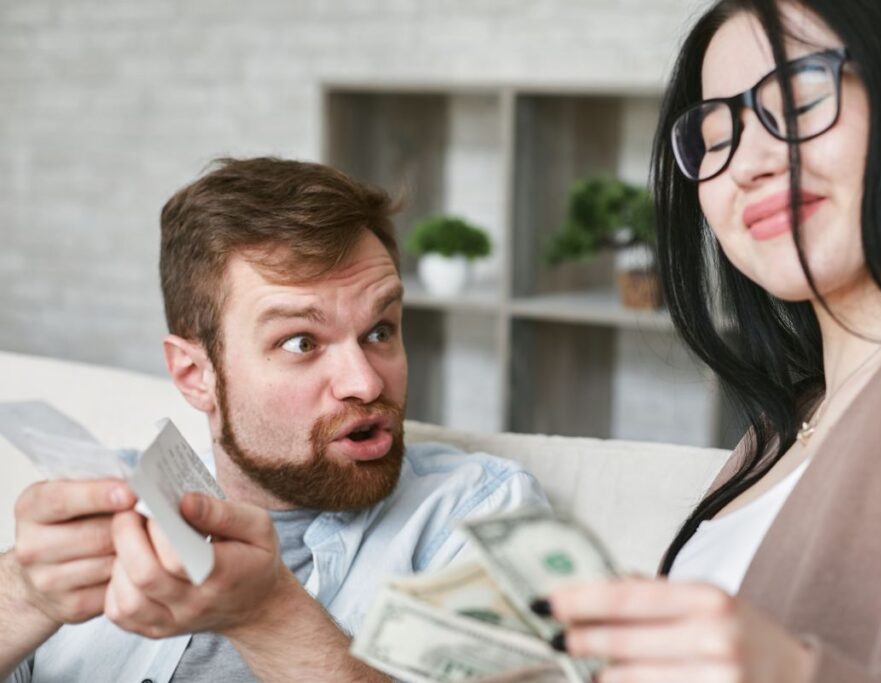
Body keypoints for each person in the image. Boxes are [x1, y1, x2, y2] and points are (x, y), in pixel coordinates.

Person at [537, 0, 881, 680]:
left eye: (798, 104)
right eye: (715, 136)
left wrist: (792, 672)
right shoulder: (780, 426)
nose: (747, 165)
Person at [0, 157, 547, 682]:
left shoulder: (481, 516)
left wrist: (267, 616)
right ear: (195, 375)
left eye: (380, 330)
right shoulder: (104, 508)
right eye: (301, 341)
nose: (367, 382)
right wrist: (25, 592)